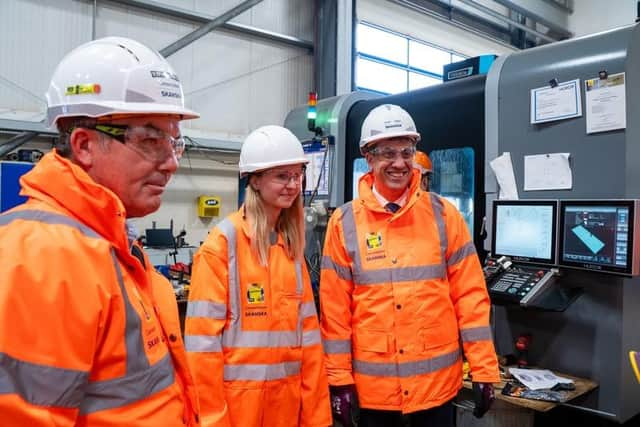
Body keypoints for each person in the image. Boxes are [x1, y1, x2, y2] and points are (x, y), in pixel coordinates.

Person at [0, 37, 201, 426]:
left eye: (174, 142)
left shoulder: (115, 247)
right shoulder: (42, 256)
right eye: (149, 140)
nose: (171, 163)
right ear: (85, 144)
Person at [320, 104, 499, 427]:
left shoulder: (444, 216)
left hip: (437, 389)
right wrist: (339, 380)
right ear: (369, 156)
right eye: (388, 153)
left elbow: (471, 298)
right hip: (375, 392)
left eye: (407, 152)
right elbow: (335, 313)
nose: (400, 163)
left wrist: (484, 367)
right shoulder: (343, 223)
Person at [184, 125, 332, 427]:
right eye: (282, 176)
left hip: (286, 411)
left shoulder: (290, 248)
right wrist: (213, 421)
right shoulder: (223, 246)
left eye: (296, 175)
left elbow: (310, 346)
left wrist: (318, 418)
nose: (292, 185)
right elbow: (202, 350)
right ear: (254, 180)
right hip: (238, 413)